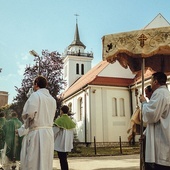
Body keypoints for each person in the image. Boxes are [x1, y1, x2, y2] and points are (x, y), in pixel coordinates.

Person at [22, 75, 56, 170]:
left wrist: (27, 124)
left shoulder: (35, 95)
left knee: (33, 161)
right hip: (48, 133)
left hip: (37, 133)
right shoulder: (52, 99)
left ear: (36, 84)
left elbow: (29, 113)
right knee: (46, 161)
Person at [139, 72, 170, 170]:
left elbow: (151, 115)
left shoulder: (160, 93)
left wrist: (144, 102)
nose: (151, 85)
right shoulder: (165, 92)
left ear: (156, 82)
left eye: (152, 82)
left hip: (160, 138)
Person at [53, 105, 76, 170]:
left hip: (61, 144)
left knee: (62, 160)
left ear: (61, 111)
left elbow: (54, 132)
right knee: (64, 159)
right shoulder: (71, 121)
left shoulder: (59, 120)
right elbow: (72, 133)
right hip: (67, 144)